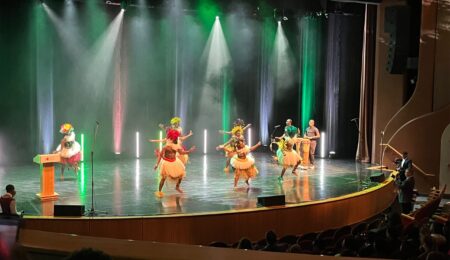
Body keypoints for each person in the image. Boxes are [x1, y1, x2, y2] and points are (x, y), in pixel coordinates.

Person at [154, 130, 195, 198]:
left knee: (181, 174)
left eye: (175, 138)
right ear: (171, 139)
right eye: (174, 139)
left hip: (175, 162)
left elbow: (182, 153)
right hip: (166, 163)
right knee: (163, 178)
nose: (175, 140)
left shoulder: (176, 146)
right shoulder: (166, 147)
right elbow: (160, 155)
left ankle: (177, 187)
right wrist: (156, 164)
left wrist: (189, 151)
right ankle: (159, 191)